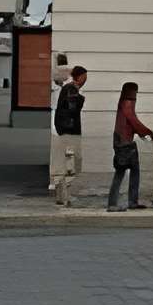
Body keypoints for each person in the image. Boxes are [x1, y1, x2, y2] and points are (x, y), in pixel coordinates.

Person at [107, 80, 153, 209]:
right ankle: (126, 202)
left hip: (120, 141)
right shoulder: (128, 103)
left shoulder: (123, 103)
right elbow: (133, 120)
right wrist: (148, 132)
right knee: (129, 172)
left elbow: (129, 122)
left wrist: (141, 132)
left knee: (123, 171)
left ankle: (116, 202)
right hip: (125, 143)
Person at [54, 65, 87, 208]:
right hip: (70, 131)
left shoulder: (67, 88)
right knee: (71, 164)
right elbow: (73, 109)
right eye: (85, 77)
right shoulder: (72, 89)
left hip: (64, 130)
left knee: (64, 163)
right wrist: (81, 97)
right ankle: (66, 197)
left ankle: (61, 196)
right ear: (79, 77)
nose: (85, 80)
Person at [45, 53, 72, 195]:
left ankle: (56, 180)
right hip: (65, 113)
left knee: (58, 147)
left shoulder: (57, 77)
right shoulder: (69, 78)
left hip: (58, 112)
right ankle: (61, 179)